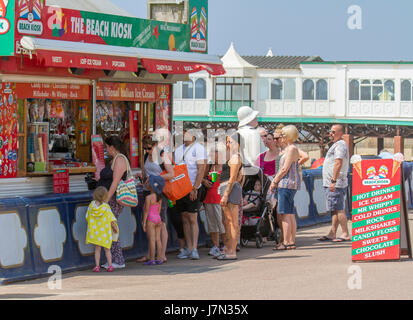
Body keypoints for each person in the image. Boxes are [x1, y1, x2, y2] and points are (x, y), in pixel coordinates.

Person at [136, 135, 175, 264]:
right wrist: (142, 180)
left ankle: (162, 254)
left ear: (155, 145)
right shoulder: (146, 156)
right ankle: (150, 254)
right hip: (148, 191)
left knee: (161, 222)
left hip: (160, 193)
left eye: (149, 148)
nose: (146, 151)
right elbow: (145, 173)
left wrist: (155, 179)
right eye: (144, 148)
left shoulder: (163, 156)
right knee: (149, 223)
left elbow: (171, 174)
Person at [174, 122, 207, 260]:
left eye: (186, 132)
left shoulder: (199, 148)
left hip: (193, 188)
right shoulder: (178, 150)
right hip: (181, 189)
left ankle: (194, 248)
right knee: (184, 218)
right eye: (182, 132)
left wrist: (195, 187)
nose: (183, 135)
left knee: (193, 218)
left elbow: (201, 169)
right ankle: (188, 247)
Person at [98, 135, 128, 269]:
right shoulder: (114, 160)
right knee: (108, 228)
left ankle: (118, 259)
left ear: (112, 147)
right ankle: (112, 259)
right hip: (108, 198)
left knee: (112, 227)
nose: (106, 150)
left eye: (106, 147)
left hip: (113, 200)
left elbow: (115, 182)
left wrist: (106, 199)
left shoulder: (120, 160)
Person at [270, 125, 301, 250]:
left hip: (286, 184)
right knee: (290, 213)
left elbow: (284, 168)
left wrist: (274, 181)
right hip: (290, 184)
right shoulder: (291, 149)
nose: (280, 137)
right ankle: (290, 240)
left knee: (284, 214)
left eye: (282, 135)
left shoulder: (291, 149)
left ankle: (287, 241)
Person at [317, 124, 350, 242]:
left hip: (335, 182)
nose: (330, 134)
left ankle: (345, 233)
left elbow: (338, 162)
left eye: (333, 132)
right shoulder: (336, 145)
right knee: (334, 208)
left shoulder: (340, 145)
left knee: (339, 207)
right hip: (332, 181)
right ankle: (333, 232)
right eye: (330, 132)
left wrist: (333, 180)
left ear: (340, 133)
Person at [217, 132, 243, 260]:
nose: (228, 144)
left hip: (229, 188)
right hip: (227, 187)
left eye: (230, 142)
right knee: (226, 221)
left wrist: (226, 194)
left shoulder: (235, 158)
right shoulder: (232, 157)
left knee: (232, 222)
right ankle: (228, 248)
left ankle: (232, 250)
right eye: (227, 142)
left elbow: (233, 178)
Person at [86, 186, 118, 273]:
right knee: (107, 249)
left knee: (97, 249)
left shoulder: (91, 206)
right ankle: (110, 266)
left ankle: (97, 266)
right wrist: (114, 227)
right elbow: (111, 218)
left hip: (96, 232)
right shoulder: (106, 207)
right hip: (105, 231)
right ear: (105, 196)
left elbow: (87, 217)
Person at [202, 142, 226, 258]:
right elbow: (202, 176)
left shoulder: (225, 166)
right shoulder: (210, 166)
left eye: (213, 152)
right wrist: (204, 181)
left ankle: (226, 245)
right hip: (209, 197)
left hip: (220, 198)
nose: (211, 155)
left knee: (222, 223)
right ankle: (216, 245)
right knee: (212, 225)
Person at [142, 175, 166, 265]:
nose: (147, 183)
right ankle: (159, 258)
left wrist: (144, 222)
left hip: (151, 219)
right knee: (158, 239)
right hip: (158, 218)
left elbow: (146, 211)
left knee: (151, 240)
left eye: (149, 182)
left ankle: (152, 259)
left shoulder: (148, 197)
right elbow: (159, 211)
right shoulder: (159, 197)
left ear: (151, 186)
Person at [236, 106, 266, 176]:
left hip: (239, 172)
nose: (256, 119)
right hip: (253, 172)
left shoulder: (237, 133)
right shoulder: (254, 133)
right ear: (250, 119)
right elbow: (256, 157)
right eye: (254, 117)